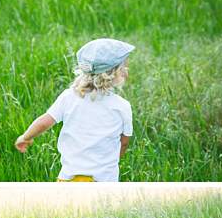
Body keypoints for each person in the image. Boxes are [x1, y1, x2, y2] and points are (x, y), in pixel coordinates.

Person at [15, 39, 135, 182]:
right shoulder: (122, 106)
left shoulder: (69, 97)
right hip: (104, 182)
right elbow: (124, 142)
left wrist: (26, 137)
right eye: (124, 67)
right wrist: (111, 161)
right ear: (115, 73)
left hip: (68, 179)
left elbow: (44, 122)